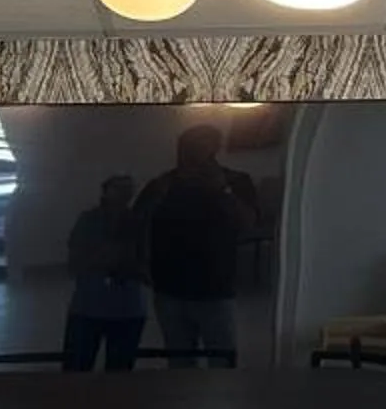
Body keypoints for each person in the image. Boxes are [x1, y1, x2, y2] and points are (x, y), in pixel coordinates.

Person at [133, 123, 257, 364]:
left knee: (222, 360)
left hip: (215, 287)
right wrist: (141, 263)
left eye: (200, 149)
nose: (192, 155)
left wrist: (222, 191)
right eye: (188, 149)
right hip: (170, 287)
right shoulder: (163, 185)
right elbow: (138, 224)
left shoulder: (234, 181)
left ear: (214, 149)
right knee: (179, 361)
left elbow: (248, 224)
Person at [60, 176, 146, 371]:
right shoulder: (135, 221)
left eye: (127, 189)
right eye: (120, 188)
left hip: (103, 306)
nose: (125, 193)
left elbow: (75, 261)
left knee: (83, 368)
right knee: (102, 370)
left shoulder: (134, 222)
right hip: (107, 306)